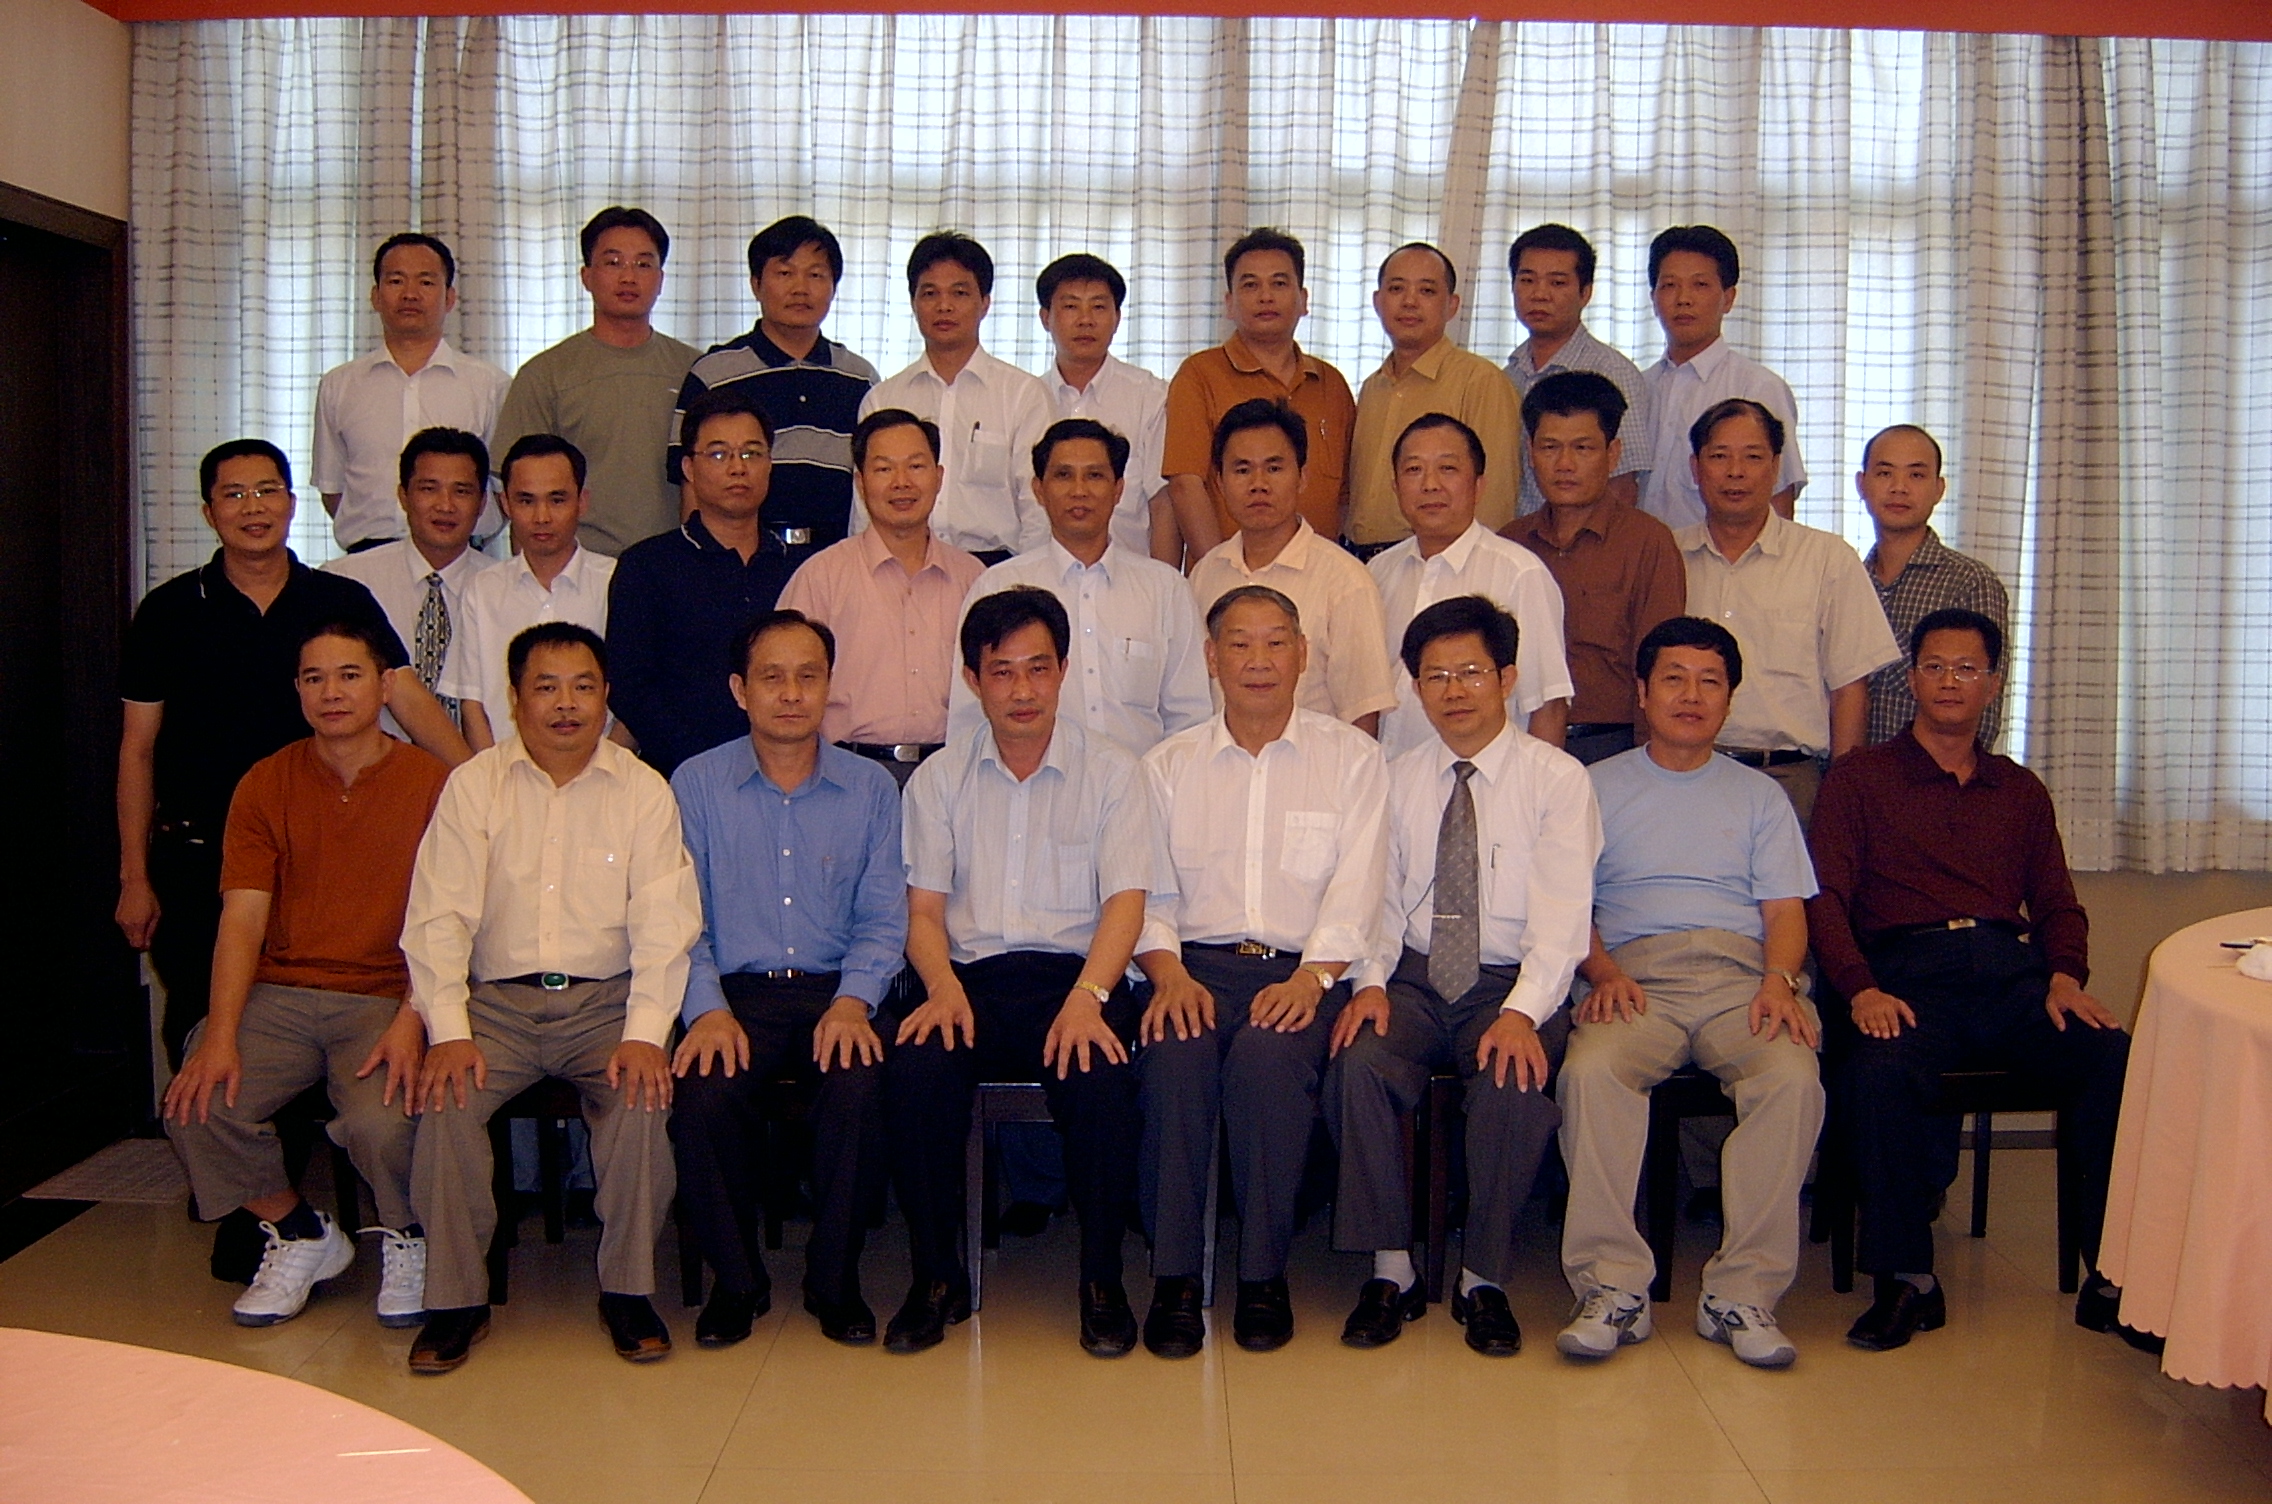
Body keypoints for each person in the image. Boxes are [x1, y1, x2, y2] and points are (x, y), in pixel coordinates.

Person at [1808, 607, 2139, 1354]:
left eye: (1967, 669)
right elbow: (1824, 899)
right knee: (1880, 1070)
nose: (1949, 681)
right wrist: (1859, 987)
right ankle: (1907, 1280)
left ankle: (2114, 1277)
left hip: (2007, 976)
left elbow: (2057, 904)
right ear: (1911, 678)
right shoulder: (1860, 779)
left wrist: (2064, 977)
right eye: (1934, 666)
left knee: (2111, 1055)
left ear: (1993, 684)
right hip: (1906, 978)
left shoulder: (2018, 790)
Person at [401, 623, 701, 1374]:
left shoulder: (644, 789)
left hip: (608, 1004)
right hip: (495, 1006)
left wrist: (646, 1032)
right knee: (444, 1100)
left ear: (606, 697)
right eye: (546, 687)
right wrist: (448, 1029)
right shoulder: (474, 786)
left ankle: (628, 1291)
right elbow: (438, 917)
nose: (566, 704)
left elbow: (664, 922)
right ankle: (456, 1300)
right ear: (514, 699)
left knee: (640, 1099)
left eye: (583, 687)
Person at [119, 440, 461, 1070]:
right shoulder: (168, 611)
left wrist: (480, 785)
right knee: (202, 1028)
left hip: (318, 856)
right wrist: (134, 877)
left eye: (267, 490)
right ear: (209, 512)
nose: (253, 507)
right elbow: (137, 752)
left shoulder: (338, 600)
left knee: (303, 1031)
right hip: (198, 854)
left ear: (291, 502)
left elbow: (408, 700)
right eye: (234, 494)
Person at [886, 587, 1156, 1357]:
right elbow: (924, 912)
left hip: (1076, 980)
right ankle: (936, 1278)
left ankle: (1101, 1281)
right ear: (974, 679)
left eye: (1039, 668)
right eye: (1002, 672)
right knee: (914, 1069)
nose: (1023, 689)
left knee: (1101, 1078)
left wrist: (1090, 998)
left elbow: (1126, 904)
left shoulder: (1113, 773)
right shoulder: (939, 779)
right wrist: (941, 987)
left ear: (1064, 670)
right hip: (968, 980)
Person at [1327, 595, 1598, 1357]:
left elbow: (1564, 919)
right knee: (1359, 1062)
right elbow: (1377, 898)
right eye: (1436, 676)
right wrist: (1370, 981)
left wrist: (1523, 1012)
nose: (1454, 690)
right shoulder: (1395, 776)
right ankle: (1391, 1270)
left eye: (1471, 672)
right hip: (1413, 978)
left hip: (1512, 981)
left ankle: (1485, 1278)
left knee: (1514, 1078)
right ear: (1416, 688)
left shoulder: (1558, 779)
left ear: (1507, 677)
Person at [161, 620, 449, 1331]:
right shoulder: (267, 782)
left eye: (350, 675)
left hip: (386, 995)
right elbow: (241, 920)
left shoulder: (434, 783)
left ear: (385, 686)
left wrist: (415, 1016)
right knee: (197, 1100)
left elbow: (454, 922)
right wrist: (219, 1035)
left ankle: (408, 1236)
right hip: (282, 992)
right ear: (297, 691)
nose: (332, 692)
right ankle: (298, 1231)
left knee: (381, 1123)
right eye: (314, 678)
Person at [1555, 615, 1823, 1370]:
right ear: (1642, 693)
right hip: (1632, 979)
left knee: (1792, 1078)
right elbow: (1567, 905)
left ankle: (1741, 1293)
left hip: (1743, 980)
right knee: (1591, 1072)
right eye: (1674, 679)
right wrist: (1601, 973)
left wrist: (1780, 982)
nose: (1691, 695)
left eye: (1711, 682)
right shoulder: (1592, 787)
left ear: (1730, 699)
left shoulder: (1760, 796)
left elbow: (1784, 913)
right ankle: (1612, 1289)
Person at [1134, 585, 1389, 1357]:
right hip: (1191, 968)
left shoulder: (1352, 759)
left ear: (1303, 655)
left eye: (1276, 642)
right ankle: (1176, 1278)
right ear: (1212, 659)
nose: (1259, 660)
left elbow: (1359, 888)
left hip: (1303, 970)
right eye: (1239, 644)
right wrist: (1168, 974)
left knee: (1267, 1062)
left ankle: (1262, 1275)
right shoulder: (1166, 766)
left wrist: (1313, 979)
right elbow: (1144, 892)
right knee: (1175, 1056)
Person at [667, 610, 905, 1348]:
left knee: (861, 1085)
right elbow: (679, 920)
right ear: (740, 690)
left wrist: (855, 1001)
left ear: (830, 686)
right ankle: (737, 1284)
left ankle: (834, 1280)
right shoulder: (696, 784)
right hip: (734, 994)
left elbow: (884, 918)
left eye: (808, 676)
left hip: (839, 988)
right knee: (703, 1093)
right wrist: (706, 1009)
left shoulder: (872, 789)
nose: (792, 693)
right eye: (772, 677)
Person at [1676, 399, 1898, 825]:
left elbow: (1850, 688)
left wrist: (1841, 796)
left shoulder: (1827, 559)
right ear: (1695, 468)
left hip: (1790, 779)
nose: (1735, 471)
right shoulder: (1667, 555)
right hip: (1687, 773)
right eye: (1719, 456)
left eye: (1752, 457)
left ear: (1776, 467)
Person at [947, 418, 1210, 756]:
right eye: (1063, 475)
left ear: (1118, 490)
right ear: (1039, 490)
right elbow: (969, 721)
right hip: (1033, 784)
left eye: (1095, 475)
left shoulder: (1165, 589)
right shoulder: (997, 587)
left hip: (1142, 784)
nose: (1079, 490)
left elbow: (1190, 718)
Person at [777, 409, 986, 785]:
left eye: (916, 466)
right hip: (846, 773)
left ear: (939, 477)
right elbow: (783, 685)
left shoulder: (975, 579)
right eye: (884, 469)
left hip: (953, 774)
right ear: (860, 482)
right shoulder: (820, 577)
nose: (901, 482)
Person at [671, 216, 878, 570]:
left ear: (833, 287)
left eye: (816, 275)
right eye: (785, 273)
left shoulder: (860, 378)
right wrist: (705, 567)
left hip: (838, 562)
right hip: (741, 561)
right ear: (756, 284)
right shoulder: (713, 374)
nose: (801, 288)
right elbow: (692, 484)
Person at [492, 207, 697, 556]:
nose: (628, 276)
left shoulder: (695, 369)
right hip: (577, 568)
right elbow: (518, 489)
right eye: (613, 262)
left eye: (643, 264)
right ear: (586, 276)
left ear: (661, 279)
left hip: (673, 565)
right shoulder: (546, 374)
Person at [1366, 413, 1573, 759]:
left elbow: (1547, 705)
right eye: (1414, 470)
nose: (1430, 484)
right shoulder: (1378, 572)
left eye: (1447, 468)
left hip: (1483, 780)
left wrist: (1536, 787)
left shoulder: (1519, 573)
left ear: (1478, 485)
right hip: (1390, 776)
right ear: (1395, 486)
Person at [607, 391, 794, 775]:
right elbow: (630, 688)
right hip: (679, 775)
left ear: (770, 464)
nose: (738, 468)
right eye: (719, 454)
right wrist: (701, 764)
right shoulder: (646, 566)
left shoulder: (798, 567)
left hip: (786, 776)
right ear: (689, 468)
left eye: (751, 453)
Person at [1506, 373, 1687, 765]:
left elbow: (1661, 666)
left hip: (1611, 747)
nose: (1564, 464)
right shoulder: (1510, 544)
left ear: (1613, 453)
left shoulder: (1647, 542)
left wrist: (1651, 765)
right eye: (1549, 447)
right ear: (1530, 451)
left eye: (1583, 448)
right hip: (1518, 741)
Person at [1185, 400, 1397, 733]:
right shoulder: (1205, 574)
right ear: (1220, 484)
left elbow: (1362, 713)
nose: (1258, 484)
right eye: (1242, 470)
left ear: (1302, 478)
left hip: (1315, 763)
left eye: (1274, 468)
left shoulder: (1345, 580)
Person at [857, 232, 1053, 565]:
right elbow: (865, 506)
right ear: (913, 303)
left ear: (985, 303)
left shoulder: (1023, 394)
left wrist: (1025, 577)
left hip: (996, 567)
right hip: (902, 564)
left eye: (959, 293)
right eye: (930, 293)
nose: (944, 306)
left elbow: (1038, 507)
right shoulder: (883, 399)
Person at [1163, 229, 1356, 558]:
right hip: (1230, 576)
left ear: (1303, 300)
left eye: (1279, 283)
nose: (1265, 296)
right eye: (1250, 285)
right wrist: (1222, 573)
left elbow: (1344, 496)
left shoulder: (1332, 384)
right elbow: (1185, 485)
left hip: (1316, 577)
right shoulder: (1199, 375)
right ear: (1229, 303)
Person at [313, 233, 509, 552]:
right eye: (396, 281)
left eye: (426, 282)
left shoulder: (490, 385)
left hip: (462, 557)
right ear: (376, 296)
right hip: (367, 559)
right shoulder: (339, 385)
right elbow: (332, 489)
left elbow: (504, 489)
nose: (410, 294)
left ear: (449, 298)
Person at [438, 434, 617, 752]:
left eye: (557, 500)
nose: (541, 516)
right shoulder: (483, 589)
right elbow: (472, 703)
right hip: (504, 770)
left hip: (603, 770)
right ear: (505, 504)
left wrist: (604, 767)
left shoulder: (617, 583)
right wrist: (494, 774)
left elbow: (634, 698)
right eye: (526, 501)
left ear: (582, 502)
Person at [1343, 243, 1523, 555]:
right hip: (1362, 558)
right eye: (1396, 288)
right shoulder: (1372, 387)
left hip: (1438, 556)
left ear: (1452, 305)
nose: (1409, 301)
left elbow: (1495, 498)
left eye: (1426, 291)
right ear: (1377, 301)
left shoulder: (1480, 381)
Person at [323, 426, 498, 734]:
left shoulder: (504, 588)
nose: (445, 505)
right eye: (429, 489)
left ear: (483, 503)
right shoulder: (345, 582)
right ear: (403, 496)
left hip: (481, 757)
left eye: (461, 491)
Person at [1638, 226, 1805, 530]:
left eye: (1700, 284)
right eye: (1670, 285)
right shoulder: (1638, 389)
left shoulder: (1758, 388)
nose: (1683, 299)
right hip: (1642, 557)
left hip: (1722, 558)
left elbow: (1779, 505)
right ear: (1653, 298)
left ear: (1728, 298)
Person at [1855, 425, 2009, 747]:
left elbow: (1983, 707)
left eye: (1916, 475)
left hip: (1933, 772)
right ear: (1862, 484)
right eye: (1884, 473)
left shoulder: (1969, 582)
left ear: (1939, 489)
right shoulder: (1844, 579)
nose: (1899, 488)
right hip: (1848, 772)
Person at [1503, 223, 1651, 516]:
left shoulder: (1613, 373)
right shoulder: (1508, 376)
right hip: (1515, 539)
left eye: (1557, 283)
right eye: (1527, 280)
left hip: (1583, 541)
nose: (1539, 294)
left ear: (1586, 293)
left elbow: (1623, 489)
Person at [1034, 253, 1172, 564]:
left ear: (1117, 318)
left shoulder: (1150, 396)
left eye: (1098, 307)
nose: (1085, 320)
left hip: (1127, 574)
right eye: (1071, 307)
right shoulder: (1026, 398)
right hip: (1040, 574)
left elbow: (1162, 503)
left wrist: (1163, 580)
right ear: (1046, 318)